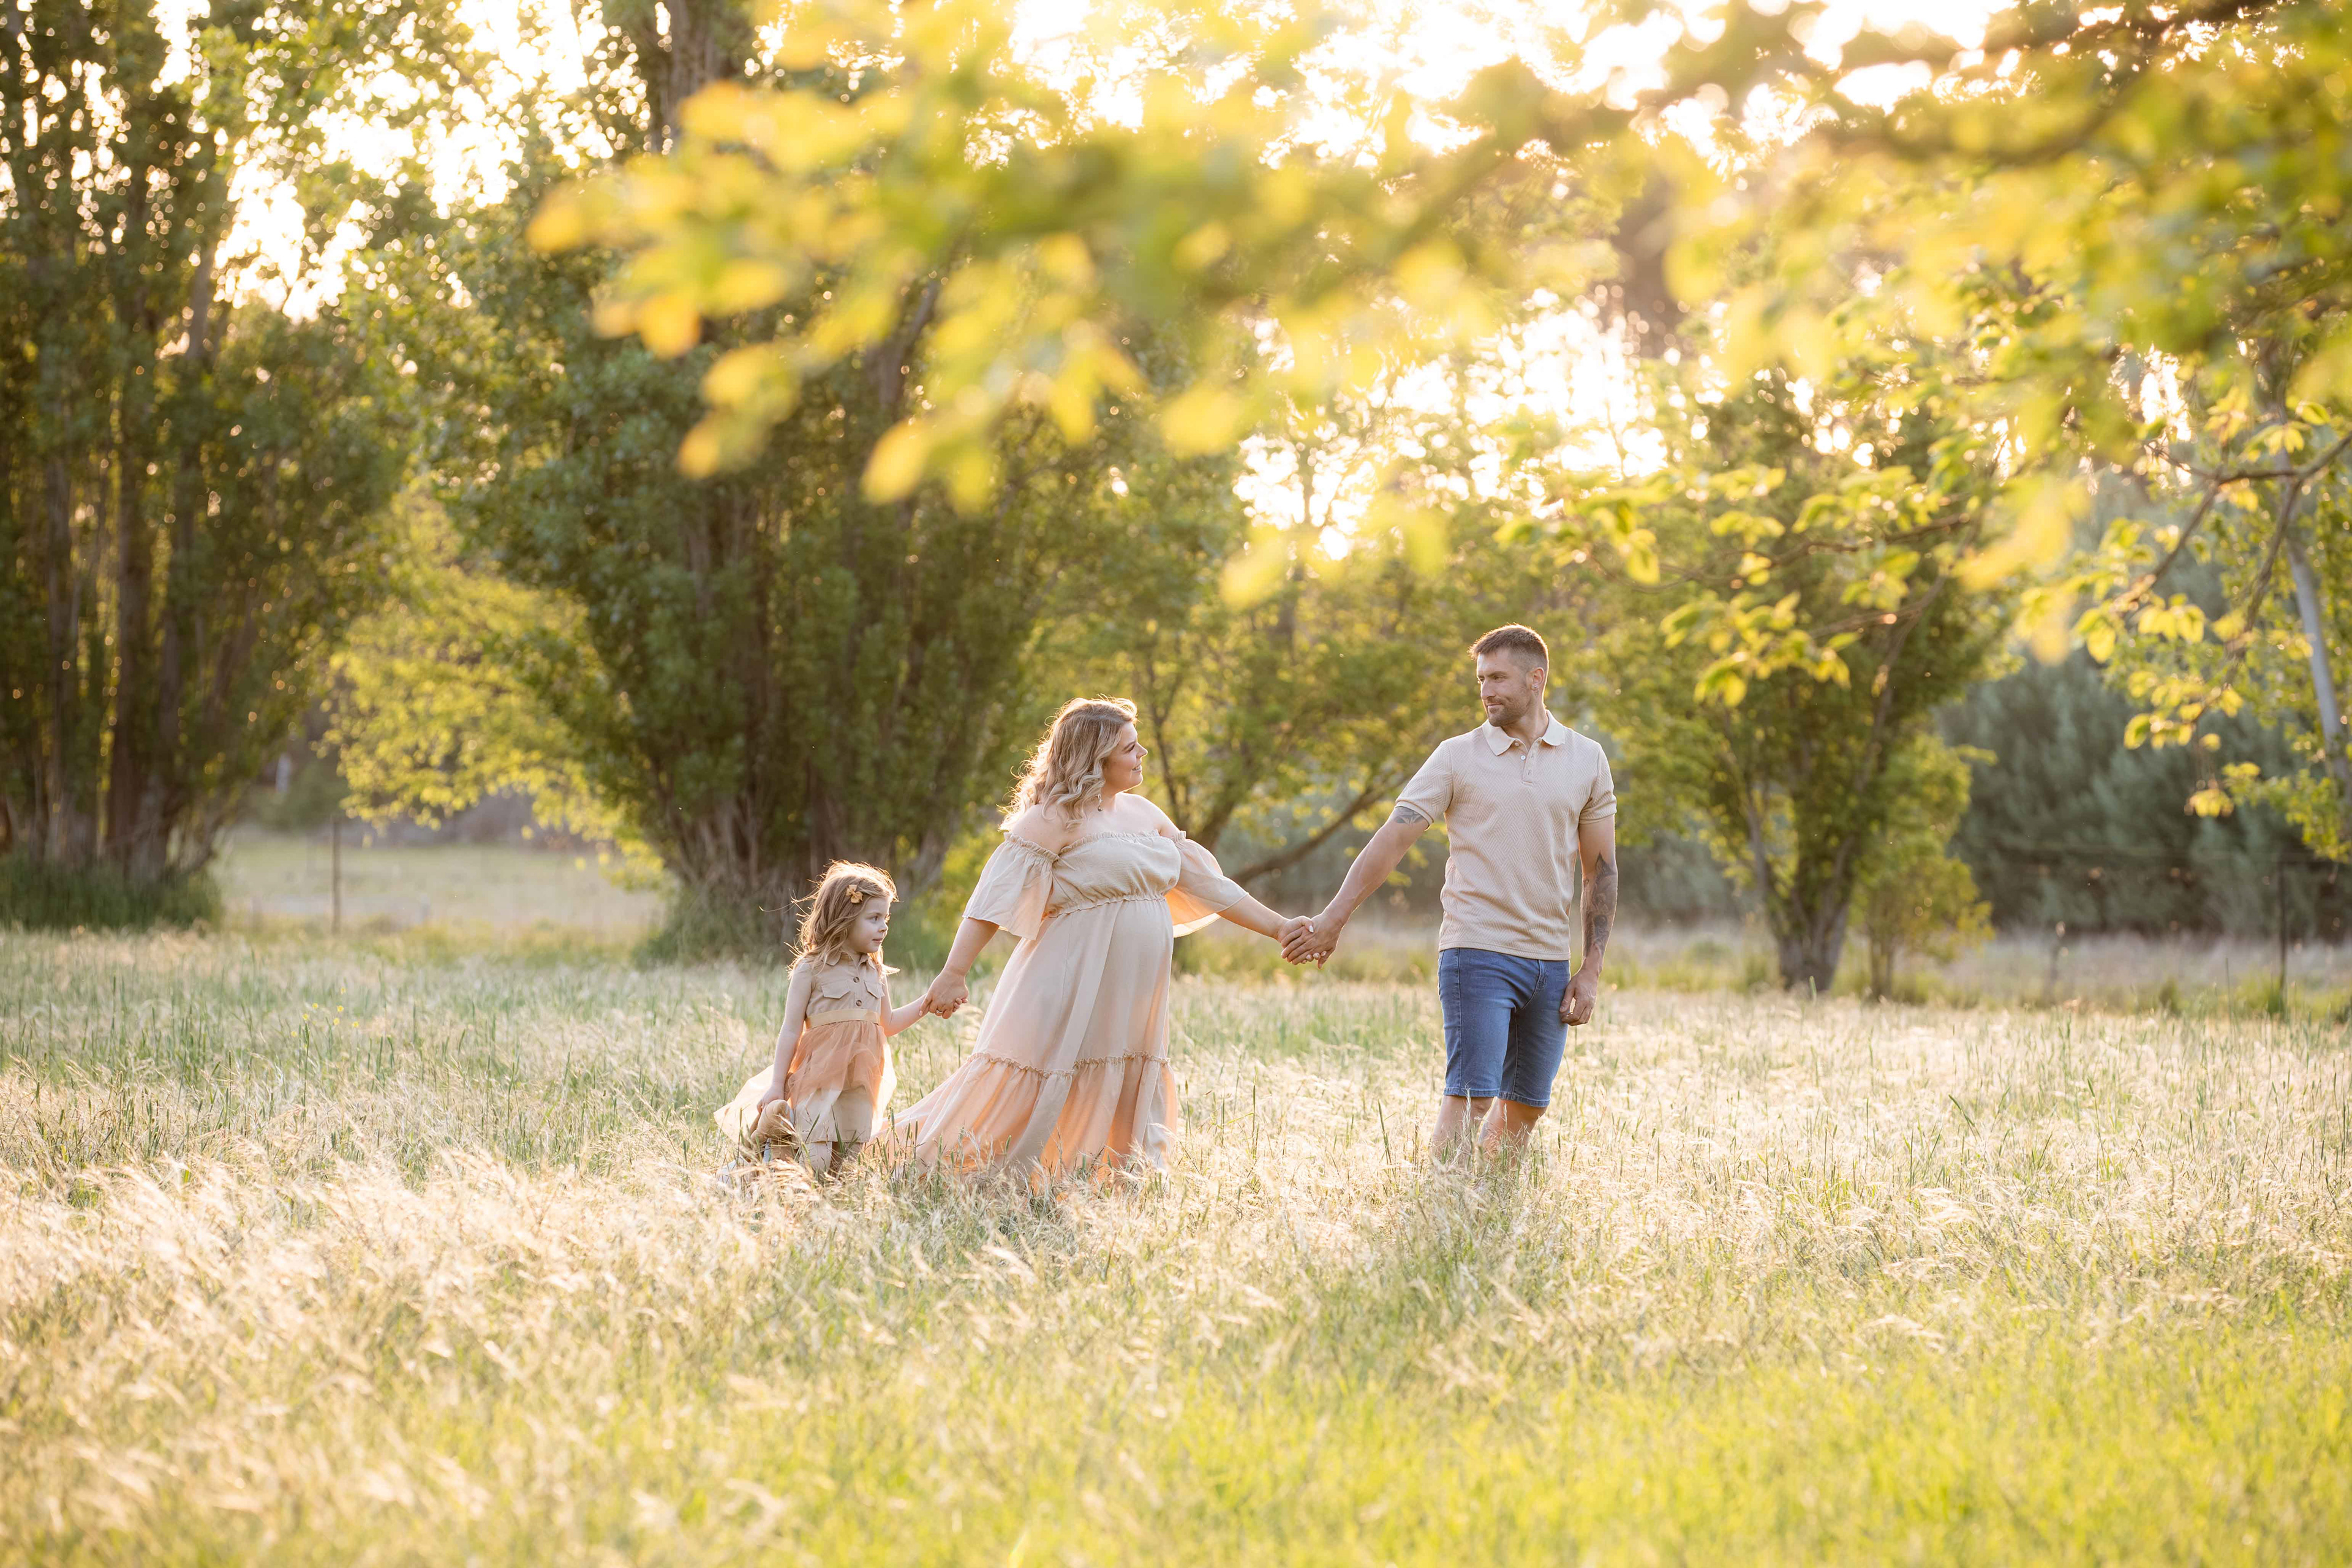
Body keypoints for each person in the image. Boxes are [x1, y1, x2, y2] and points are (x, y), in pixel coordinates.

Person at [899, 698, 1309, 1185]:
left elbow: (1212, 887)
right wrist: (954, 973)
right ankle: (942, 1163)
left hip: (1134, 988)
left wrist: (1279, 928)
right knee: (1048, 1066)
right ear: (1096, 758)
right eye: (1130, 749)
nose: (1142, 757)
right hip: (1069, 972)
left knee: (1123, 1066)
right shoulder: (1054, 818)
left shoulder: (1145, 813)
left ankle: (1115, 1176)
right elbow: (991, 901)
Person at [1283, 625, 1618, 1158]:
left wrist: (1591, 969)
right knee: (1471, 1097)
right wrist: (1334, 918)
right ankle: (1441, 1203)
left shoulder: (1587, 759)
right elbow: (1391, 842)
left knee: (1529, 1104)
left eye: (1498, 678)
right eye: (1481, 679)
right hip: (1476, 949)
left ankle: (1485, 1209)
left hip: (1550, 961)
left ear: (1537, 679)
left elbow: (1600, 871)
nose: (1486, 690)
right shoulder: (1456, 757)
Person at [715, 862, 934, 1177]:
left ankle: (817, 1204)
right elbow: (790, 1030)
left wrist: (926, 1004)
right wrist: (777, 1084)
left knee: (845, 1165)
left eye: (886, 919)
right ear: (845, 919)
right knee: (814, 1159)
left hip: (860, 1082)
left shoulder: (876, 972)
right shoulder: (811, 968)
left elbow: (887, 1024)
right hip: (818, 1079)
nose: (884, 927)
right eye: (874, 919)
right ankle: (758, 1173)